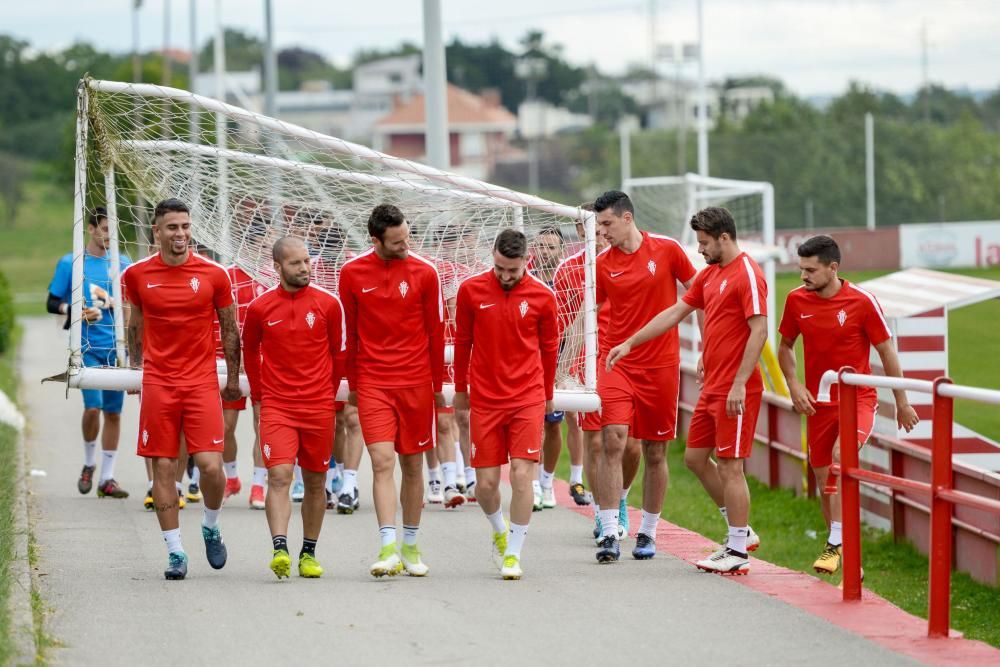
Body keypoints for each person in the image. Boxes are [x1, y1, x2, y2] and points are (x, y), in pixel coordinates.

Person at [607, 205, 767, 575]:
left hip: (735, 388)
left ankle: (738, 549)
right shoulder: (710, 276)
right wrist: (630, 342)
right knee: (695, 459)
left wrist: (740, 383)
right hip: (713, 385)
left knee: (730, 465)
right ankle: (740, 531)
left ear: (724, 238)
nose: (700, 250)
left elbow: (759, 330)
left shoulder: (747, 273)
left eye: (705, 243)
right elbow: (674, 312)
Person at [778, 235, 919, 575]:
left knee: (842, 459)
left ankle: (835, 545)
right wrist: (794, 386)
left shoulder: (862, 301)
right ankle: (845, 552)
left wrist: (902, 402)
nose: (803, 277)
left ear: (833, 267)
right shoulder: (796, 301)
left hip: (858, 399)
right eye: (801, 270)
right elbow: (784, 347)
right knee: (824, 476)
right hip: (819, 403)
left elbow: (886, 351)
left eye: (810, 270)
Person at [122, 198, 241, 580]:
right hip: (159, 381)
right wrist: (133, 367)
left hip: (201, 380)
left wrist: (234, 380)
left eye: (186, 227)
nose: (181, 234)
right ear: (156, 232)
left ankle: (210, 524)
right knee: (164, 466)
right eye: (172, 227)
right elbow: (135, 324)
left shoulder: (214, 274)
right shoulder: (138, 275)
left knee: (210, 466)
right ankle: (174, 551)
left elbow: (230, 327)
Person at [591, 191, 697, 563]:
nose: (602, 233)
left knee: (655, 450)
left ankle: (648, 532)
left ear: (627, 218)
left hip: (662, 365)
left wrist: (709, 348)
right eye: (598, 226)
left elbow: (699, 294)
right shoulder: (602, 264)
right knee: (613, 438)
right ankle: (607, 530)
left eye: (606, 224)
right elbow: (589, 313)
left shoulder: (667, 250)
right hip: (616, 362)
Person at [339, 204, 444, 578]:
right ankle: (387, 548)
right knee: (381, 461)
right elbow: (348, 333)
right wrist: (351, 383)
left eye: (407, 238)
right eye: (397, 242)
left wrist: (437, 388)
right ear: (376, 240)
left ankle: (411, 546)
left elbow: (436, 332)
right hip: (373, 382)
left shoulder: (425, 272)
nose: (405, 245)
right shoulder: (351, 273)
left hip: (415, 383)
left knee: (412, 465)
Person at [453, 228, 558, 579]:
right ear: (493, 258)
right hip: (485, 397)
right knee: (484, 485)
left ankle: (514, 552)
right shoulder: (471, 291)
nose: (505, 276)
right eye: (499, 268)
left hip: (526, 396)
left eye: (512, 270)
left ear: (526, 262)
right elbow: (463, 341)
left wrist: (546, 395)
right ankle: (499, 529)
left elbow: (548, 350)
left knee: (521, 475)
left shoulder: (543, 296)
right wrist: (461, 389)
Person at [242, 236, 345, 579]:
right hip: (278, 407)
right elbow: (250, 353)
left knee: (316, 483)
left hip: (318, 408)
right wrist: (259, 397)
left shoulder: (328, 304)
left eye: (307, 261)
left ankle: (309, 553)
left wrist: (327, 397)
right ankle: (280, 548)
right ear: (277, 267)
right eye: (296, 263)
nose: (305, 268)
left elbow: (337, 355)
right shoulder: (260, 308)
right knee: (280, 475)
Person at [556, 207, 640, 540]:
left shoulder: (628, 256)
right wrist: (564, 364)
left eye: (603, 225)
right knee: (596, 443)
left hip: (632, 359)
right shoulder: (569, 269)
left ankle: (619, 497)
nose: (597, 232)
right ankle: (602, 513)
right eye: (588, 227)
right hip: (589, 361)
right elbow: (569, 319)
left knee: (632, 446)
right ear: (579, 231)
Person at [47, 206, 132, 499]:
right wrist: (72, 311)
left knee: (114, 413)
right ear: (92, 229)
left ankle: (107, 478)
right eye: (105, 229)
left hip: (116, 350)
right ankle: (88, 463)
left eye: (113, 231)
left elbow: (132, 304)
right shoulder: (71, 263)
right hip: (86, 349)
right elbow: (51, 301)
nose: (110, 236)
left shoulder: (123, 262)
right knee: (93, 407)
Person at [205, 262, 268, 509]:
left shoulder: (273, 275)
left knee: (262, 425)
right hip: (230, 363)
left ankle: (258, 486)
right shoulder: (226, 275)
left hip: (263, 362)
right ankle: (232, 478)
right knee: (225, 426)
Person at [528, 227, 576, 511]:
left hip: (559, 356)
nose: (546, 252)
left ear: (561, 250)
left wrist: (566, 361)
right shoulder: (527, 277)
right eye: (541, 246)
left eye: (551, 247)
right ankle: (532, 483)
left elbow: (575, 318)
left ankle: (547, 483)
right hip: (529, 356)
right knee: (532, 421)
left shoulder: (567, 280)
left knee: (553, 422)